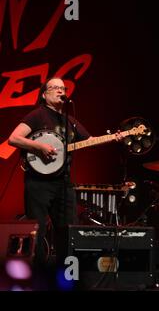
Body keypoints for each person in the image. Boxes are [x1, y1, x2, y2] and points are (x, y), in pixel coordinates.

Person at [8, 78, 122, 281]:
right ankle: (37, 277)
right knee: (38, 229)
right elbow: (14, 138)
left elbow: (89, 142)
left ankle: (65, 277)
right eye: (55, 88)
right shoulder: (37, 115)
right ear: (45, 94)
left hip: (63, 182)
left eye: (63, 88)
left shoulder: (70, 120)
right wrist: (39, 147)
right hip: (38, 183)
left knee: (68, 230)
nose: (61, 91)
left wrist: (113, 138)